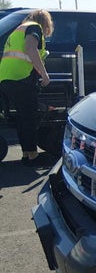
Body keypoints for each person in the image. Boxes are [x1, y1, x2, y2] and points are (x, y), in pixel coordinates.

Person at [0, 9, 53, 166]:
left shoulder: (20, 28)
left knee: (23, 118)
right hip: (20, 78)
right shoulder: (34, 27)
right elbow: (30, 49)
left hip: (7, 77)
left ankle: (27, 153)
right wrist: (44, 74)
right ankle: (32, 157)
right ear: (45, 22)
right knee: (29, 117)